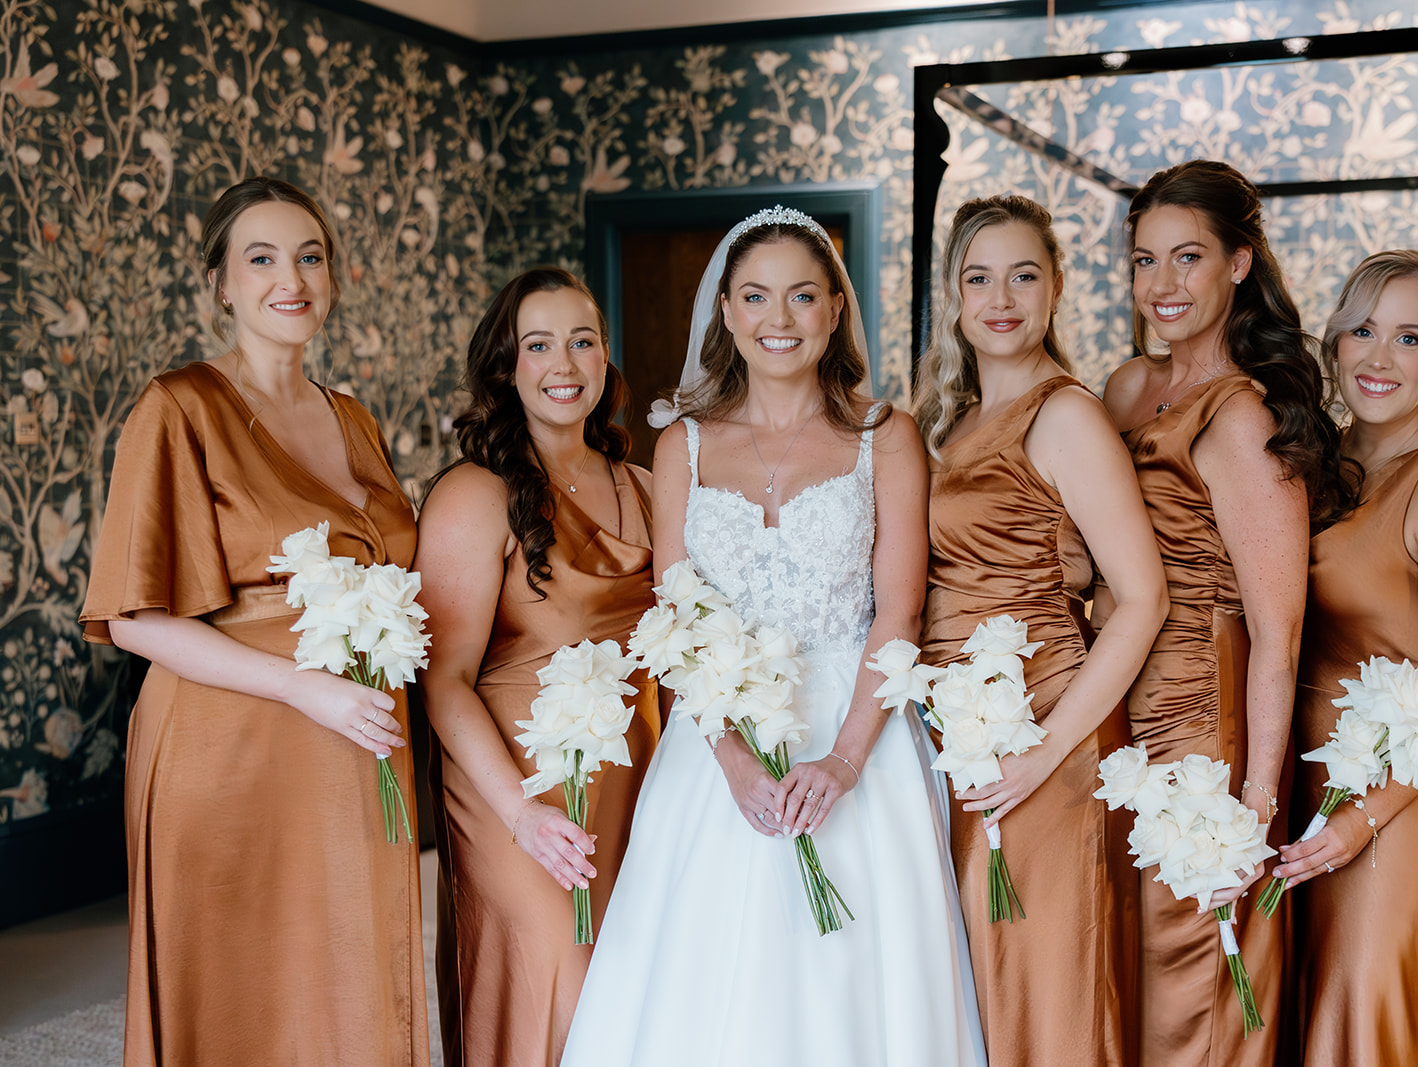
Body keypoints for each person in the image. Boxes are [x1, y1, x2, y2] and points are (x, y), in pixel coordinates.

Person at [560, 206, 985, 1066]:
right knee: (704, 980)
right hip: (719, 741)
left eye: (801, 295)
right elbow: (675, 616)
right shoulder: (682, 443)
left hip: (855, 731)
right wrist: (734, 759)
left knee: (853, 985)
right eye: (755, 296)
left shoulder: (885, 437)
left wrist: (843, 763)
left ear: (835, 308)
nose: (778, 319)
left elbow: (898, 612)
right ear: (725, 312)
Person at [79, 177, 427, 1065]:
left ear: (334, 277)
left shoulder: (355, 419)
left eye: (311, 256)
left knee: (352, 966)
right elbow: (134, 619)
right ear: (220, 282)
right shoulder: (178, 406)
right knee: (240, 986)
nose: (292, 278)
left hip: (355, 738)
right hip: (228, 742)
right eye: (262, 258)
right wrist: (301, 687)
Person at [1097, 159, 1355, 1065]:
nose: (1162, 285)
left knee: (1194, 959)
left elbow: (1279, 634)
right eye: (1143, 261)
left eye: (1188, 258)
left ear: (1239, 263)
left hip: (1207, 718)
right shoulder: (1126, 391)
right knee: (1124, 962)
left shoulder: (1245, 416)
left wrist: (1254, 803)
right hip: (1115, 703)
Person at [913, 194, 1167, 1066]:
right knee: (979, 980)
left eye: (1024, 275)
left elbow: (1141, 598)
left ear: (1056, 287)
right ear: (953, 294)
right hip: (955, 736)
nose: (1002, 298)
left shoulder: (1065, 415)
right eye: (979, 278)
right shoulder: (945, 421)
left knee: (1043, 983)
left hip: (1043, 731)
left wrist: (1045, 750)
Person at [1273, 251, 1418, 1066]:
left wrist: (1358, 821)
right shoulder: (1311, 466)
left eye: (1409, 337)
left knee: (1360, 1013)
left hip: (1396, 800)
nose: (1379, 357)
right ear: (1335, 340)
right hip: (1299, 777)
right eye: (1364, 330)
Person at [415, 269, 659, 1066]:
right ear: (506, 366)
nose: (564, 362)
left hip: (639, 773)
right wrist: (521, 814)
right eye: (539, 344)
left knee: (641, 981)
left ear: (605, 357)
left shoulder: (650, 488)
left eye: (582, 341)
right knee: (557, 972)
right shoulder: (471, 495)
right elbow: (443, 679)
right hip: (514, 783)